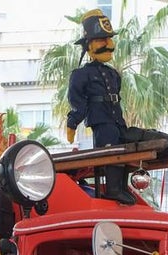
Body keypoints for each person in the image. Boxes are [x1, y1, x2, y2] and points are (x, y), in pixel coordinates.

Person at [65, 10, 135, 204]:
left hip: (116, 118)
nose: (109, 45)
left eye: (108, 39)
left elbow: (116, 97)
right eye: (102, 40)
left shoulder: (113, 74)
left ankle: (120, 187)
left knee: (122, 147)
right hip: (100, 119)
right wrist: (72, 122)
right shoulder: (81, 74)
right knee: (110, 148)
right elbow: (78, 101)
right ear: (89, 45)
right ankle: (113, 189)